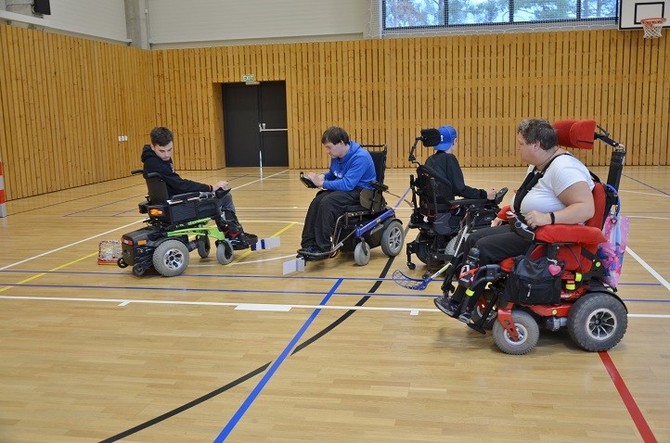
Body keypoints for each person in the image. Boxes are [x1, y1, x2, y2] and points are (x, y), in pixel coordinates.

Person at [434, 118, 595, 321]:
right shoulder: (541, 163)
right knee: (473, 239)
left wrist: (549, 217)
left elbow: (586, 209)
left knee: (482, 247)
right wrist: (507, 212)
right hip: (526, 228)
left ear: (536, 145)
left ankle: (464, 305)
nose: (518, 148)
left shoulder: (564, 169)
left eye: (521, 144)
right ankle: (460, 299)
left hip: (545, 237)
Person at [141, 126, 257, 250]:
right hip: (177, 206)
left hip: (170, 202)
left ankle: (231, 232)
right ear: (153, 147)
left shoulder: (151, 159)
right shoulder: (157, 164)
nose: (166, 155)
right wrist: (210, 188)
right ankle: (233, 234)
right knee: (225, 197)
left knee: (213, 195)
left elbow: (176, 184)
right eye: (162, 151)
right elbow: (180, 185)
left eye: (169, 150)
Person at [299, 126, 376, 256]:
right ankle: (308, 244)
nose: (327, 151)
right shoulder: (337, 155)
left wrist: (322, 183)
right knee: (318, 200)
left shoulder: (360, 157)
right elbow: (334, 173)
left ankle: (323, 247)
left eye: (329, 147)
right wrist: (321, 177)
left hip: (362, 192)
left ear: (341, 143)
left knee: (328, 202)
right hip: (349, 189)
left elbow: (347, 184)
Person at [422, 125, 497, 233]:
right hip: (447, 210)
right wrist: (484, 194)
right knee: (482, 205)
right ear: (454, 141)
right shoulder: (449, 159)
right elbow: (460, 189)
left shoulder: (430, 160)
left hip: (433, 208)